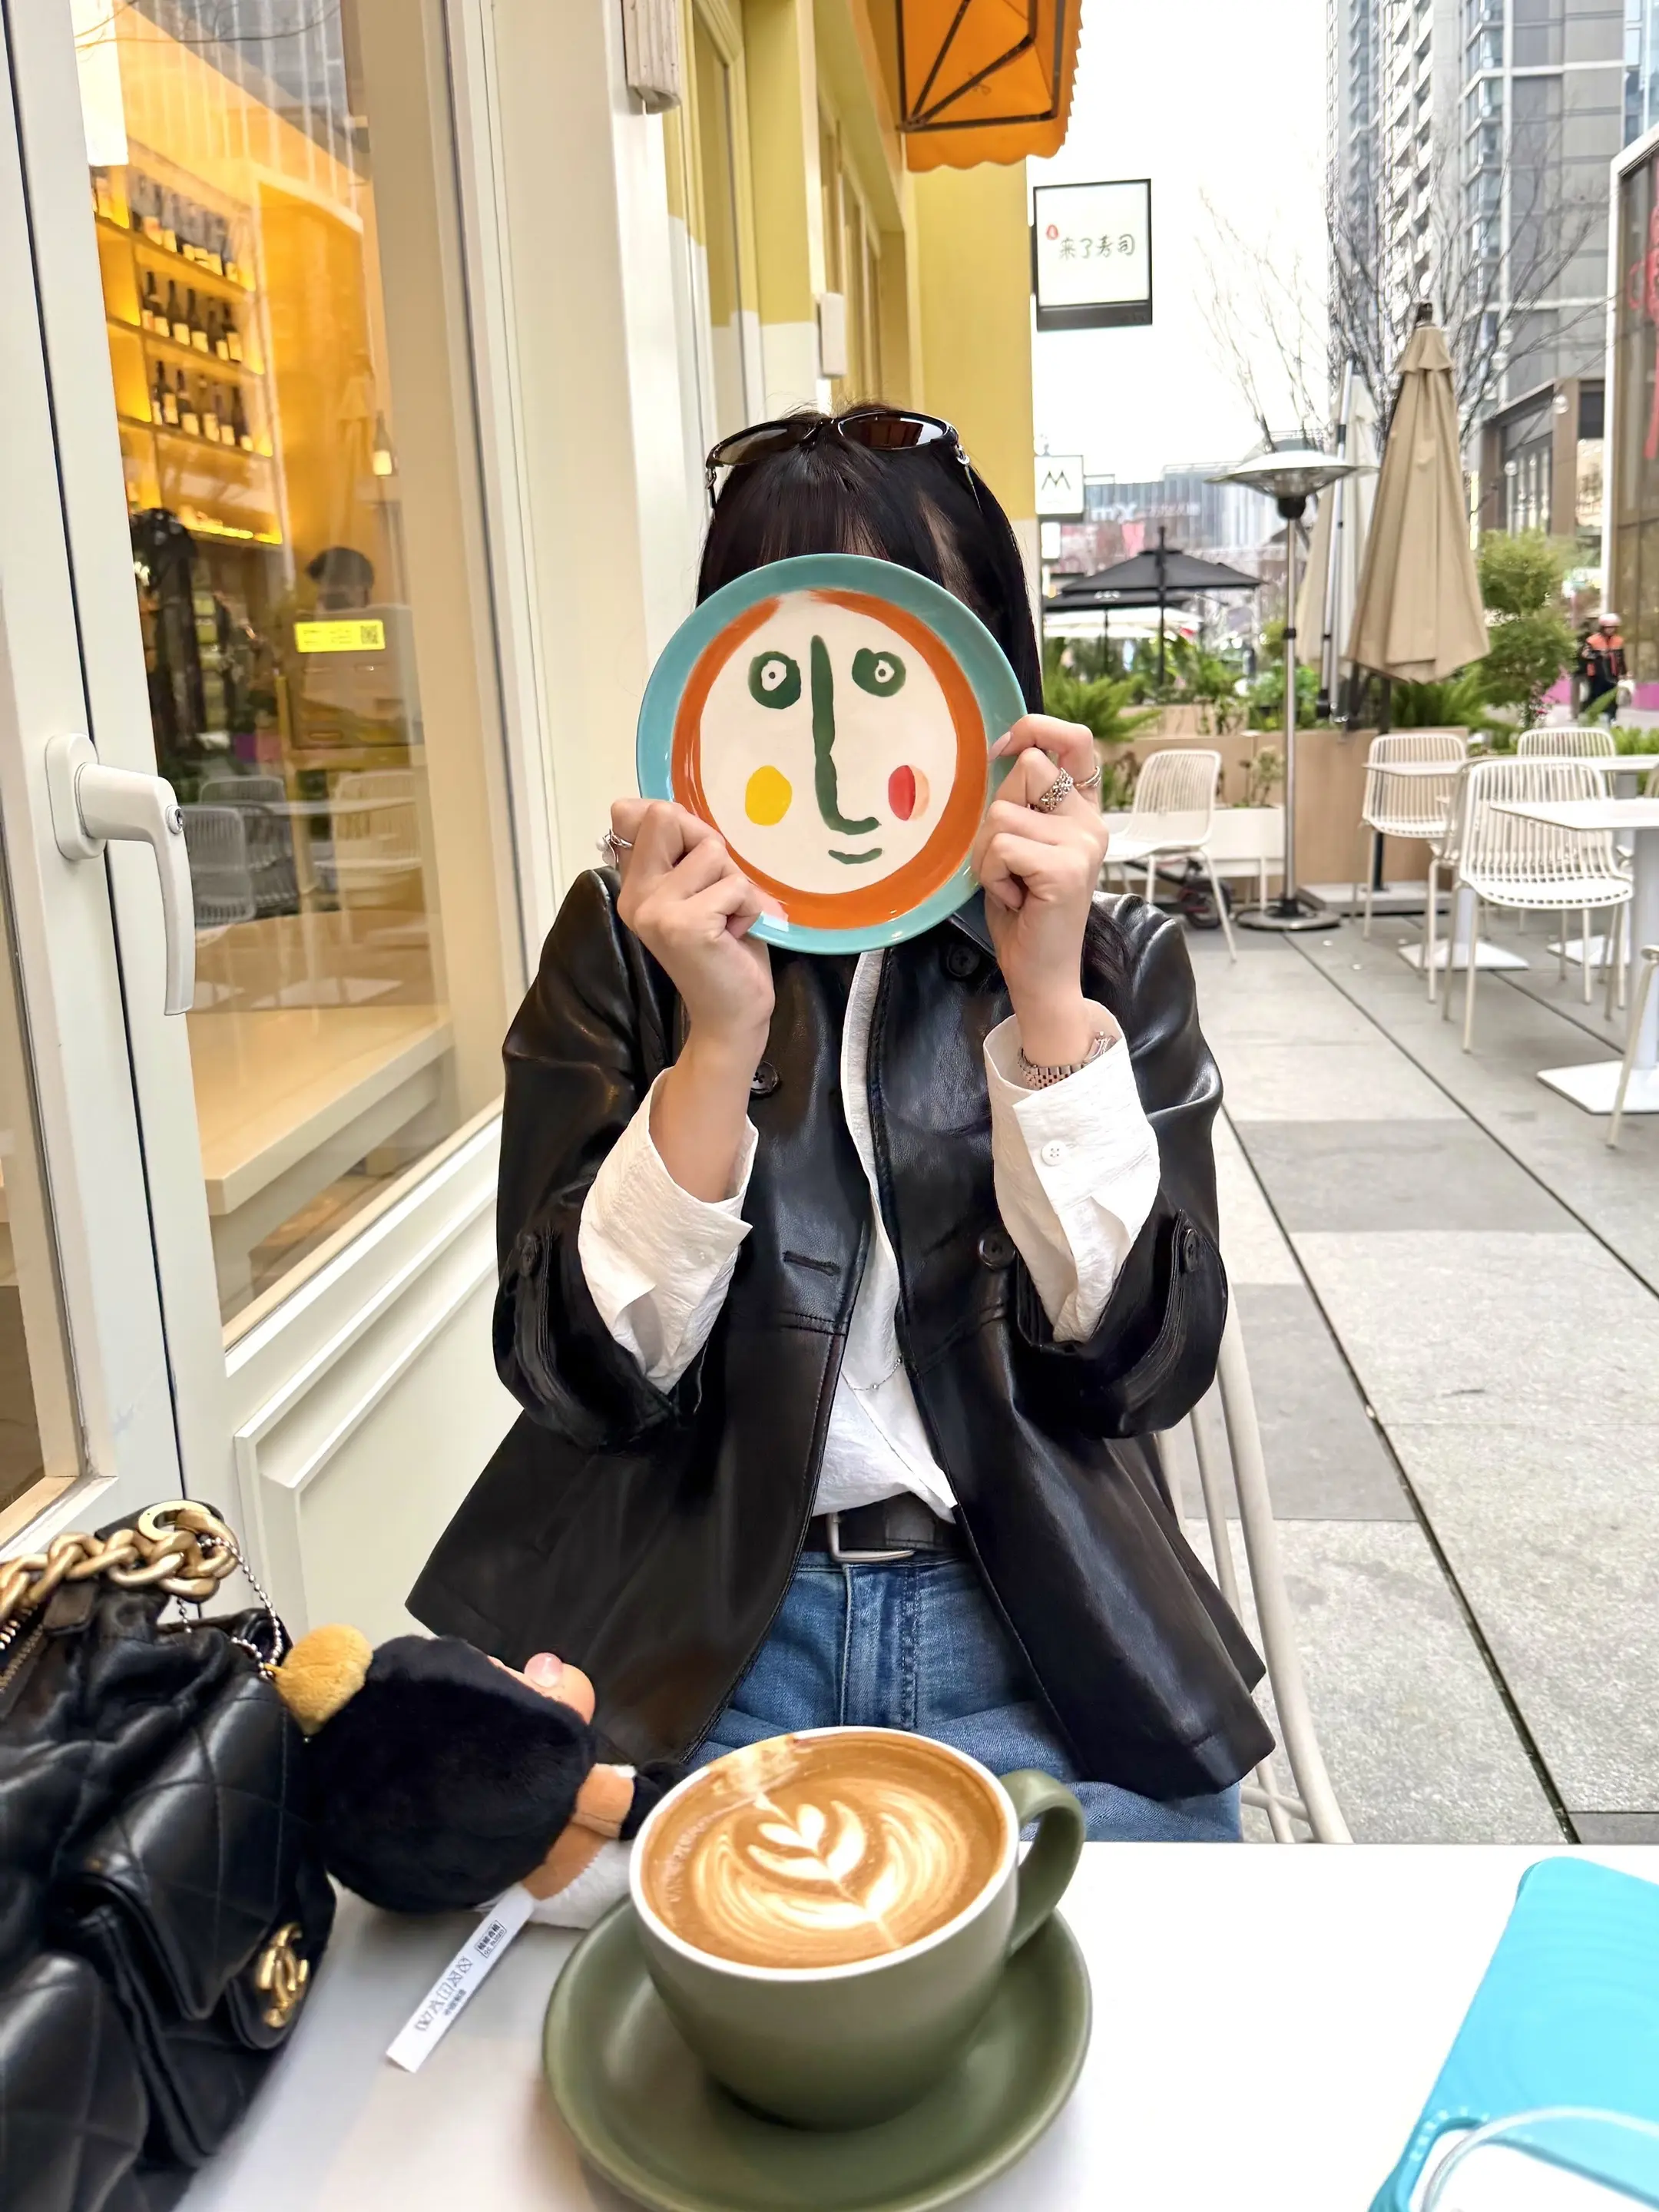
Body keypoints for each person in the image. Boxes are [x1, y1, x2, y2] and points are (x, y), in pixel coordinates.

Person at [411, 406, 1271, 1842]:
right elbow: (575, 1370)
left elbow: (1143, 1362)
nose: (839, 732)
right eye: (791, 666)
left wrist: (1046, 1001)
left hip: (1042, 1639)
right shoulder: (626, 945)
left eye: (896, 660)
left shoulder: (1106, 956)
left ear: (987, 670)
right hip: (703, 1650)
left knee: (1134, 1974)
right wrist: (718, 1039)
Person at [1578, 611, 1625, 715]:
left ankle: (1611, 717)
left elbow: (1621, 658)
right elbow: (1585, 655)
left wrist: (1623, 673)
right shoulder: (1592, 640)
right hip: (1596, 674)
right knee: (1595, 695)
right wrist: (1599, 655)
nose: (1611, 630)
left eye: (1613, 627)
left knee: (1612, 697)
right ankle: (1589, 715)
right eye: (1608, 627)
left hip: (1613, 674)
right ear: (1602, 627)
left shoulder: (1618, 640)